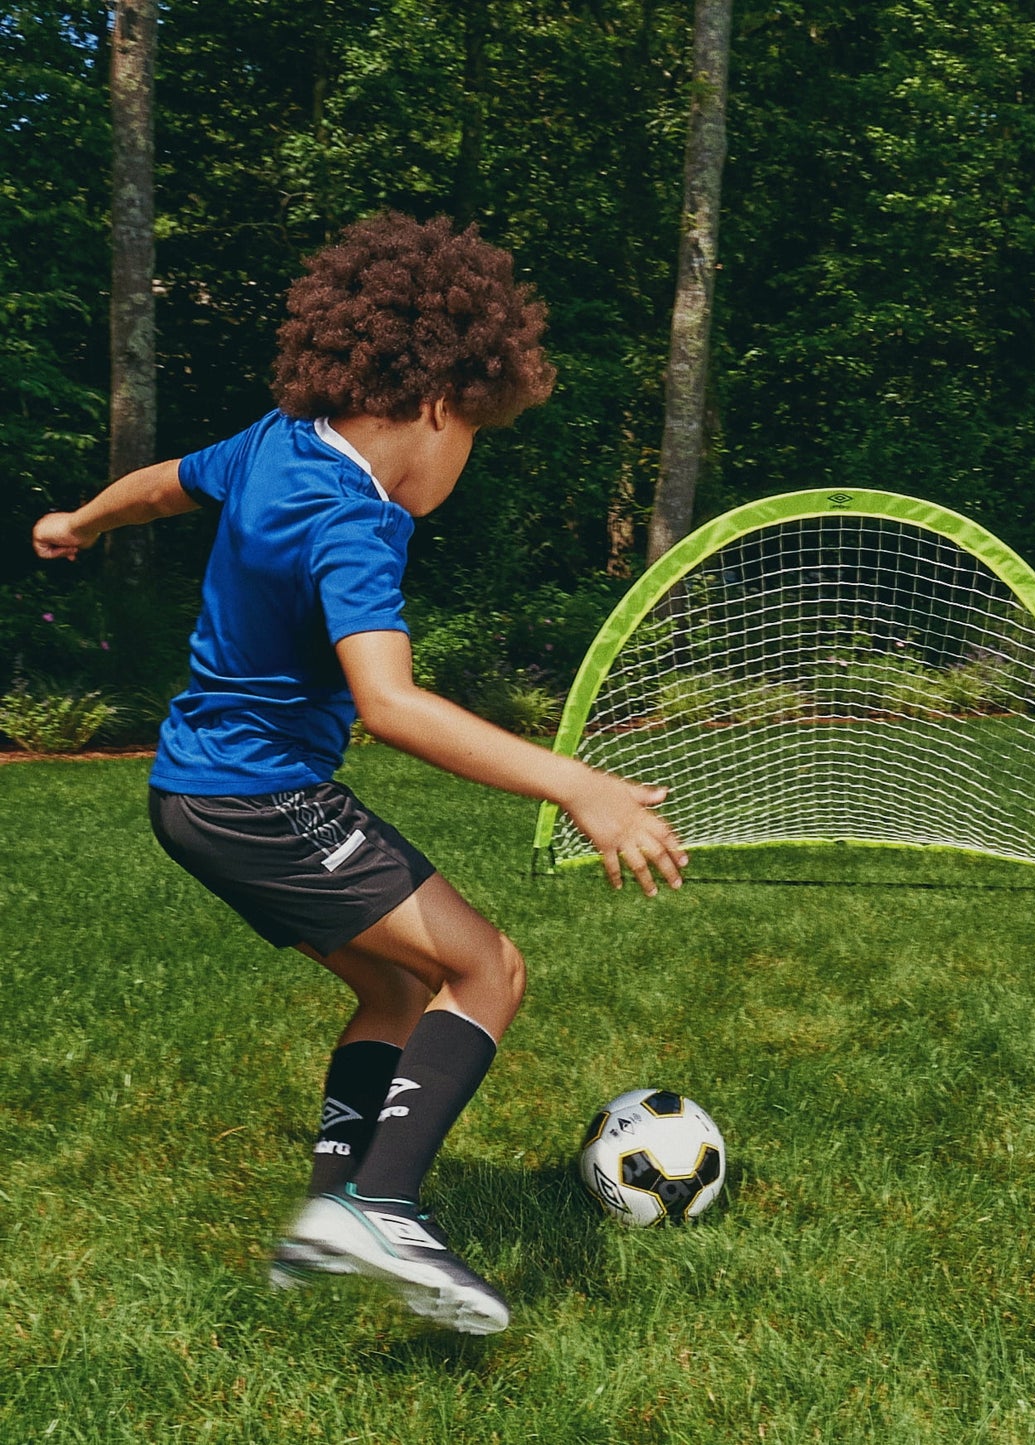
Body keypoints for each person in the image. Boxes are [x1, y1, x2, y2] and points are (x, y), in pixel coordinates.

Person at [31, 212, 687, 1336]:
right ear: (436, 402)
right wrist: (573, 782)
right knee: (485, 969)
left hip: (193, 796)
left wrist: (78, 521)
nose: (467, 462)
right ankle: (384, 1205)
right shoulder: (351, 517)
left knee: (392, 988)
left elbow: (161, 484)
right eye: (477, 433)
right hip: (255, 795)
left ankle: (328, 1208)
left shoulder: (279, 440)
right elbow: (389, 705)